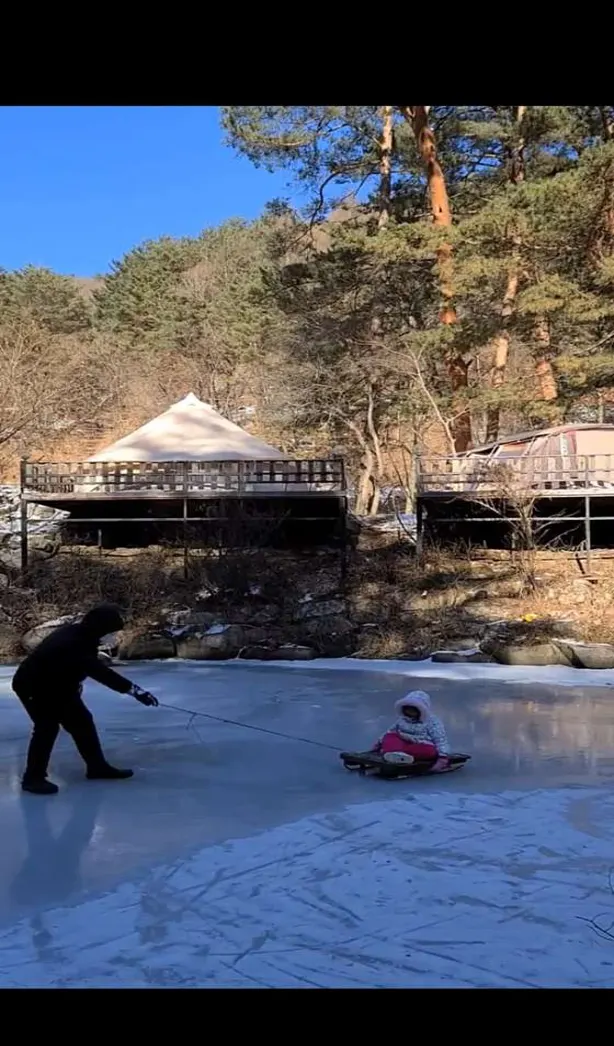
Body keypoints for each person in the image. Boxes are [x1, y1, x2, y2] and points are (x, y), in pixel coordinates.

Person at [12, 603, 159, 796]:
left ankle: (97, 767)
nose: (113, 636)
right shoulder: (74, 642)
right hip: (34, 686)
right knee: (46, 727)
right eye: (111, 631)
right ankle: (33, 778)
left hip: (59, 686)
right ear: (101, 628)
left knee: (82, 722)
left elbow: (74, 669)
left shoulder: (82, 635)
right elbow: (100, 672)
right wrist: (134, 691)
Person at [373, 690, 451, 770]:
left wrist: (443, 756)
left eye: (413, 709)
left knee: (429, 751)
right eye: (407, 708)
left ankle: (399, 755)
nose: (409, 711)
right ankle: (395, 754)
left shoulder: (432, 722)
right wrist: (379, 742)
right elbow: (391, 730)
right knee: (390, 736)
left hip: (420, 744)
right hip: (402, 741)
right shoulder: (402, 720)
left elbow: (440, 739)